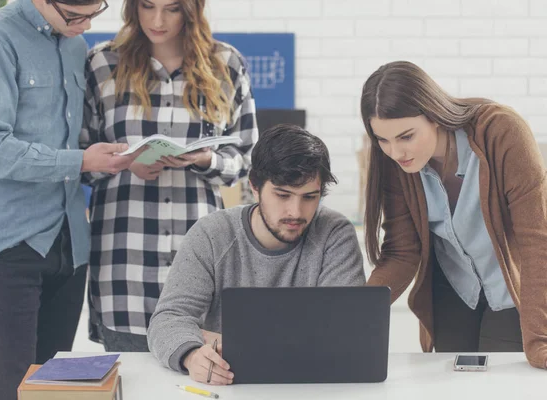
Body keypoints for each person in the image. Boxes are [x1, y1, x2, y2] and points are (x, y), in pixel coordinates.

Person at [0, 0, 141, 398]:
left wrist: (108, 160)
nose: (85, 25)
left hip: (68, 244)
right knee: (11, 391)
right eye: (75, 16)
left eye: (94, 12)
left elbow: (67, 140)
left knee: (54, 390)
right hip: (7, 245)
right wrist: (80, 160)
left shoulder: (73, 44)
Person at [80, 0, 258, 352]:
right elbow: (81, 156)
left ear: (192, 10)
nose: (157, 20)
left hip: (199, 263)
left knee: (200, 382)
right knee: (131, 385)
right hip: (124, 265)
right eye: (147, 6)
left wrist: (205, 159)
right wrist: (125, 162)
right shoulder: (102, 63)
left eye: (172, 9)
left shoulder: (227, 65)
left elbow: (246, 159)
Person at [360, 60, 547, 369]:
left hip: (510, 290)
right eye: (383, 140)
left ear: (433, 115)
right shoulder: (395, 164)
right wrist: (356, 312)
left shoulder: (501, 132)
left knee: (497, 382)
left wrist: (541, 339)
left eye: (406, 136)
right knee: (451, 381)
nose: (395, 152)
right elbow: (402, 252)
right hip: (454, 292)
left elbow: (537, 240)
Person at [147, 124, 366, 385]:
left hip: (311, 387)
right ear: (255, 187)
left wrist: (215, 337)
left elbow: (341, 334)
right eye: (282, 195)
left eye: (310, 197)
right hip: (230, 385)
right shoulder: (211, 234)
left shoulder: (334, 233)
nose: (296, 211)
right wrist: (192, 353)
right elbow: (168, 319)